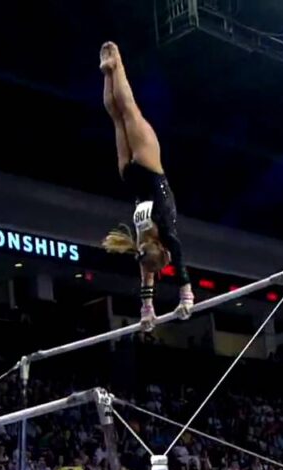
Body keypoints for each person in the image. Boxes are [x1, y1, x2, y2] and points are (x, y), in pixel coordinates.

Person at [99, 41, 194, 330]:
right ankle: (106, 73)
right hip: (128, 173)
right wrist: (146, 310)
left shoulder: (164, 231)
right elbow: (146, 268)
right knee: (116, 117)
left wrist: (186, 294)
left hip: (149, 168)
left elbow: (176, 257)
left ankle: (116, 61)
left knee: (129, 110)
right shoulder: (142, 242)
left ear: (162, 254)